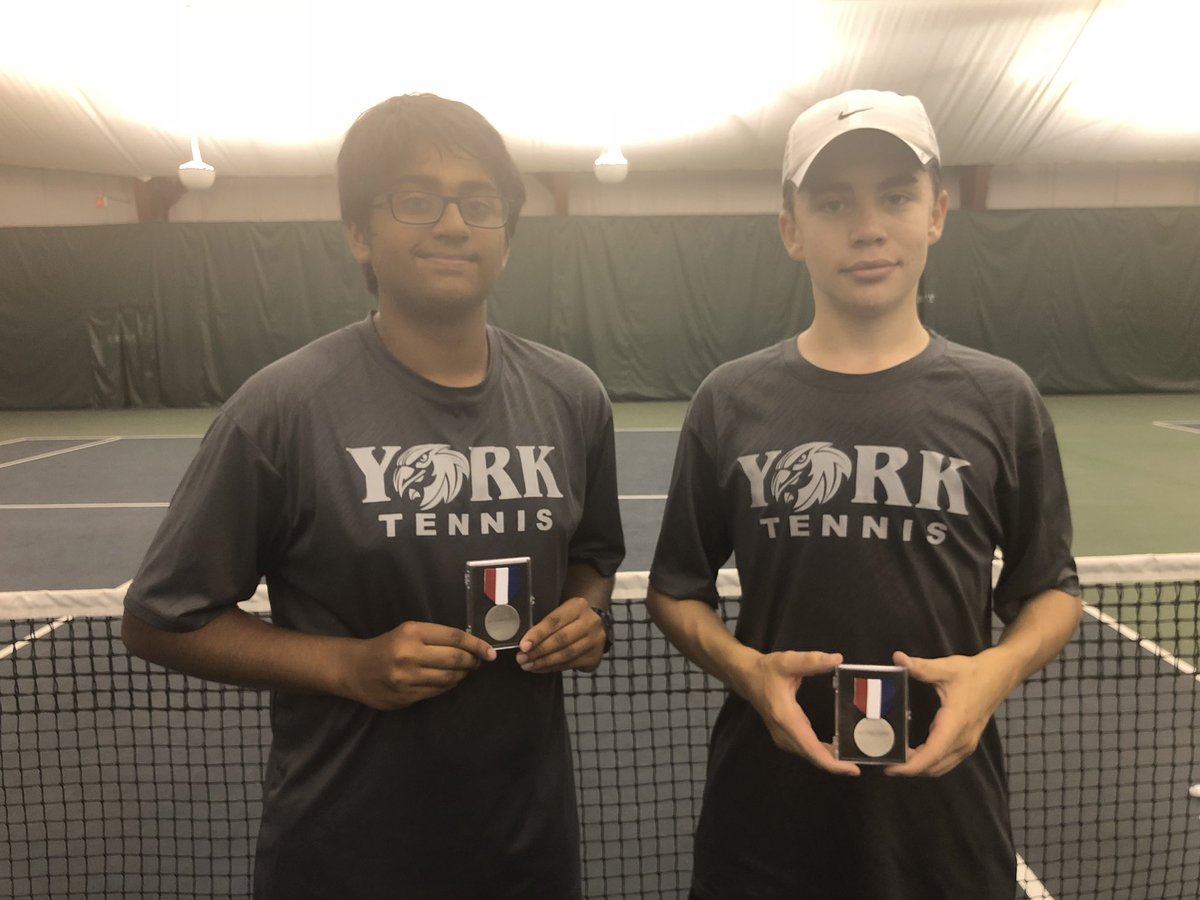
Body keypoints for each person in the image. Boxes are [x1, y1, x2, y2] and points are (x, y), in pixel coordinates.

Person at [122, 93, 624, 899]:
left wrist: (585, 613)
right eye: (416, 199)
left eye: (481, 201)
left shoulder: (573, 397)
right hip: (344, 856)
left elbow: (594, 556)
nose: (455, 223)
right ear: (361, 233)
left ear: (507, 236)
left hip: (528, 853)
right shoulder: (281, 408)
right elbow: (158, 619)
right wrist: (348, 665)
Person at [646, 89, 1082, 899]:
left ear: (937, 214)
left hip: (945, 829)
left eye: (895, 195)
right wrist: (747, 671)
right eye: (833, 201)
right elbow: (675, 591)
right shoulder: (729, 400)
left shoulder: (1002, 399)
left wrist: (999, 670)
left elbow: (1050, 590)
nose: (868, 225)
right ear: (791, 230)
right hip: (765, 826)